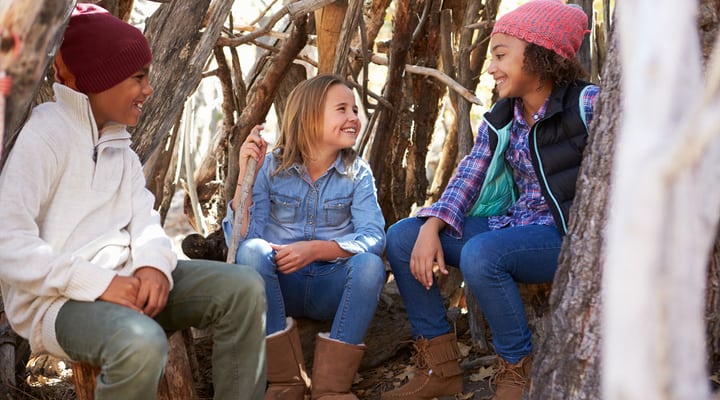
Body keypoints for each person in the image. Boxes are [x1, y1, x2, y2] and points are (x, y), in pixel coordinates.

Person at [0, 4, 266, 399]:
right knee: (141, 343)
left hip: (128, 279)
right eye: (138, 77)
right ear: (98, 79)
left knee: (243, 288)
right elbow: (10, 245)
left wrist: (153, 266)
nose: (148, 89)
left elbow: (145, 222)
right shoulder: (44, 137)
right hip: (58, 305)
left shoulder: (119, 147)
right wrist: (102, 284)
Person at [381, 1, 600, 400]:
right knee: (401, 237)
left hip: (567, 236)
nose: (491, 67)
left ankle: (519, 372)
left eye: (501, 55)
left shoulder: (586, 104)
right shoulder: (503, 116)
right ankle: (440, 366)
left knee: (484, 254)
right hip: (515, 227)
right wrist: (431, 227)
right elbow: (468, 174)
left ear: (540, 54)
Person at [223, 74, 386, 400]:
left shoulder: (358, 173)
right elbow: (242, 241)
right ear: (310, 115)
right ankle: (286, 382)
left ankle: (332, 389)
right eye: (342, 109)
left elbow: (373, 236)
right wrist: (246, 174)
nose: (354, 117)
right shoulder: (271, 167)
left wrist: (315, 250)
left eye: (354, 109)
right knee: (253, 252)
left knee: (370, 265)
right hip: (281, 286)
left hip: (331, 287)